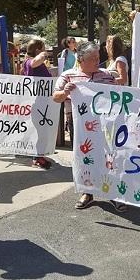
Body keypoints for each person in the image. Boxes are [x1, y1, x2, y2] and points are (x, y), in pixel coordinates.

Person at [52, 41, 127, 213]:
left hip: (105, 125)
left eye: (98, 57)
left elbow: (120, 95)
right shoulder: (68, 75)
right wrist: (65, 93)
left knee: (109, 157)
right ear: (81, 60)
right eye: (93, 58)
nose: (97, 61)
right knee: (84, 156)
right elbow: (55, 97)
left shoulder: (107, 75)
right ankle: (87, 192)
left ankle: (112, 193)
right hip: (80, 125)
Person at [22, 39, 53, 170]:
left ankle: (39, 154)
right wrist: (44, 55)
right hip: (37, 102)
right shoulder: (29, 62)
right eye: (43, 48)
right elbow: (35, 62)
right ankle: (37, 157)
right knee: (40, 130)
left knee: (42, 130)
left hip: (42, 101)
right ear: (37, 50)